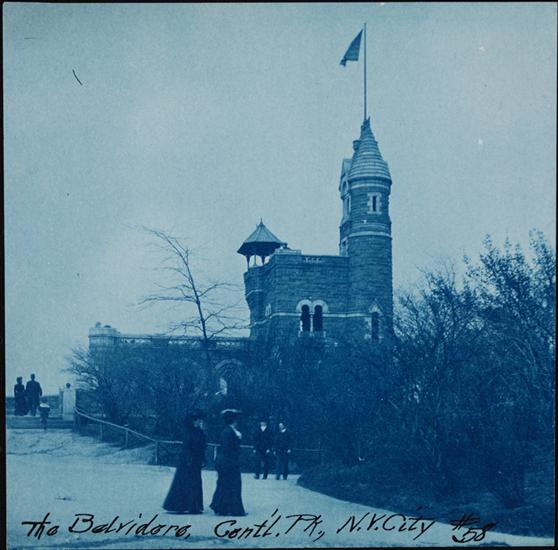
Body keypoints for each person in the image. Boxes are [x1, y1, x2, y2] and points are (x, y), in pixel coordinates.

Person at [163, 410, 207, 514]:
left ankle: (194, 506)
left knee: (195, 483)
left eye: (200, 420)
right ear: (193, 421)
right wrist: (189, 459)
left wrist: (202, 459)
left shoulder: (200, 432)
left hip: (196, 461)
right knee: (184, 482)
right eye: (197, 420)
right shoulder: (189, 432)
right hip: (188, 461)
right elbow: (187, 447)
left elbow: (202, 446)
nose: (199, 422)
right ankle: (181, 505)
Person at [210, 409, 246, 516]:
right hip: (228, 462)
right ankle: (234, 509)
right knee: (233, 484)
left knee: (224, 484)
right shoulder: (229, 432)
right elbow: (228, 449)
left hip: (224, 461)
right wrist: (238, 441)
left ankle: (221, 507)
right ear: (234, 420)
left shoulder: (227, 431)